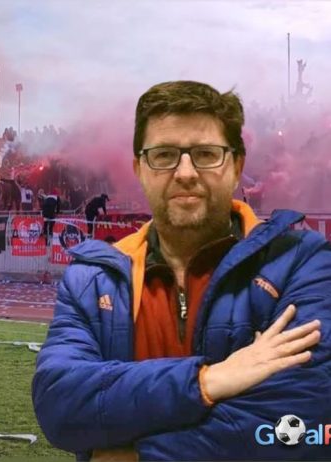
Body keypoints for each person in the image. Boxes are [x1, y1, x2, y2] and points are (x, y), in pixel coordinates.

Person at [32, 81, 330, 461]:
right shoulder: (91, 279)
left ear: (237, 166)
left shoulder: (300, 262)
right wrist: (207, 381)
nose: (186, 172)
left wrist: (138, 457)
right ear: (139, 169)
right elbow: (60, 405)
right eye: (164, 155)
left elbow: (304, 422)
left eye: (206, 154)